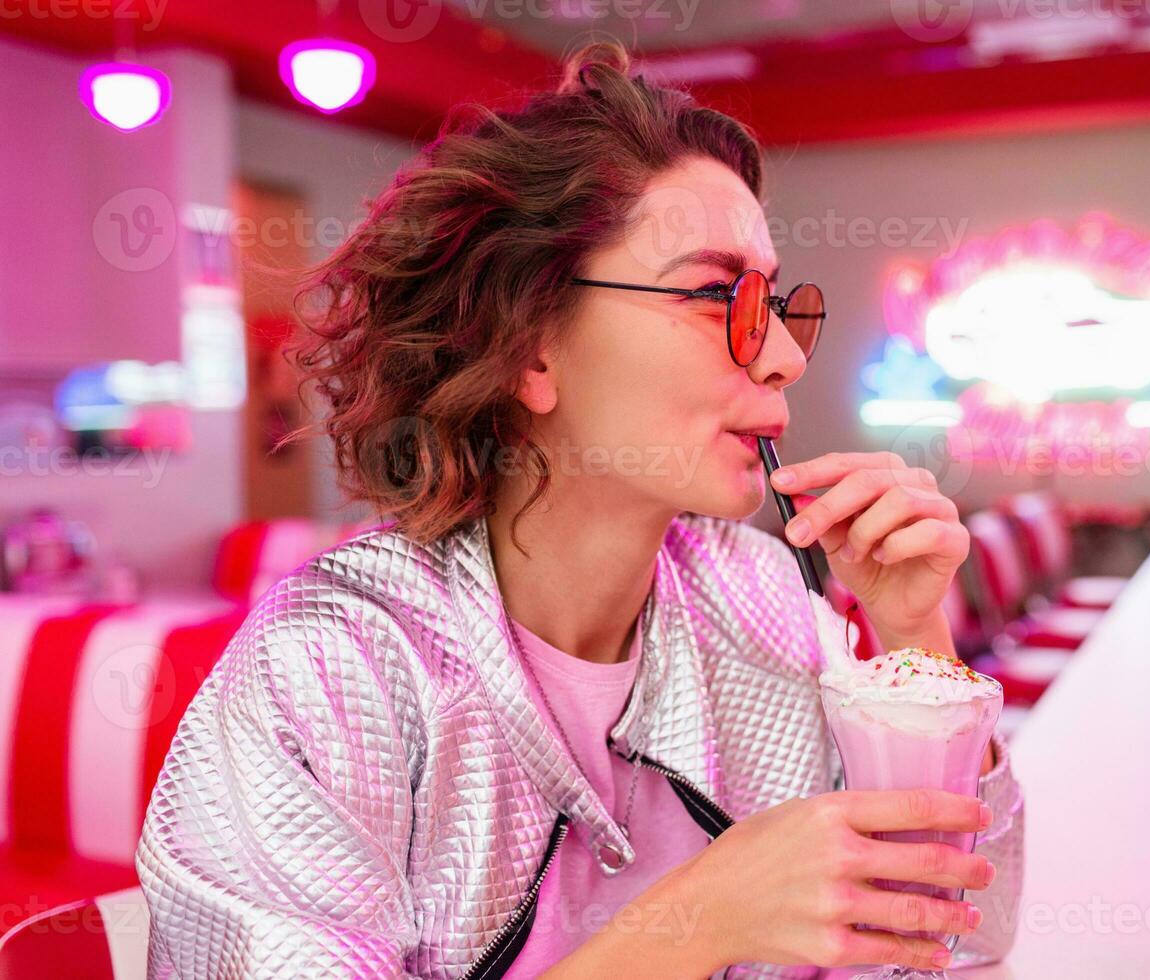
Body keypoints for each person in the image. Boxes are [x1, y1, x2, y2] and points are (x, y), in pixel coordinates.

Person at [137, 40, 1022, 979]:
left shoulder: (762, 599)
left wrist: (912, 633)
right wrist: (698, 921)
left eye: (770, 302)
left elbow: (953, 938)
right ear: (529, 345)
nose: (782, 360)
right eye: (717, 294)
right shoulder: (330, 667)